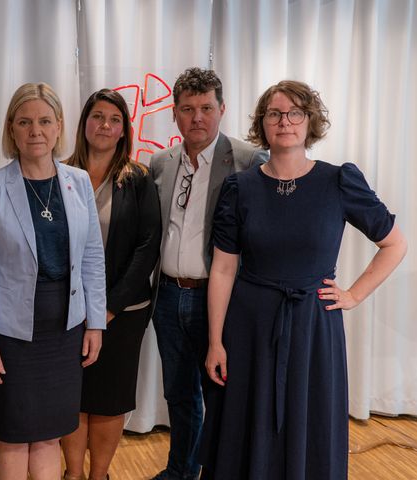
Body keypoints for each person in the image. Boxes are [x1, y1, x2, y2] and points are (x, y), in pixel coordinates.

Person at [199, 80, 407, 479]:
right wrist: (215, 342)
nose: (285, 121)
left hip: (314, 326)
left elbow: (395, 244)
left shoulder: (338, 181)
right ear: (262, 123)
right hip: (250, 326)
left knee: (310, 423)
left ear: (310, 121)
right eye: (275, 114)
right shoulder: (240, 188)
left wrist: (353, 295)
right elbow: (223, 269)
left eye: (295, 113)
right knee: (245, 423)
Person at [0, 82, 106, 480]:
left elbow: (92, 258)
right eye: (25, 122)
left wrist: (95, 323)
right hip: (11, 335)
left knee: (48, 435)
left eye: (45, 121)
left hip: (65, 330)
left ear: (59, 126)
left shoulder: (79, 181)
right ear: (11, 128)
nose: (35, 131)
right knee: (13, 435)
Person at [149, 67, 268, 480]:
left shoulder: (249, 160)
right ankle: (180, 471)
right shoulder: (160, 163)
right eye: (187, 109)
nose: (196, 117)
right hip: (167, 297)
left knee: (220, 393)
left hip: (220, 300)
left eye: (205, 108)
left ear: (222, 109)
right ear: (174, 114)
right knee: (179, 395)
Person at [61, 89, 161, 480]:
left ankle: (99, 474)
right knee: (74, 394)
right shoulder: (59, 174)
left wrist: (109, 308)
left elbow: (147, 247)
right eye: (98, 116)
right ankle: (73, 474)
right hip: (69, 309)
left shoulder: (138, 179)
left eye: (114, 119)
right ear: (83, 123)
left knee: (108, 398)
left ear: (124, 130)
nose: (105, 125)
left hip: (123, 312)